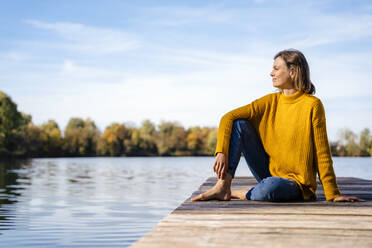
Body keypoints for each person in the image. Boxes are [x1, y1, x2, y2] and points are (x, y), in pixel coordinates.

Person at [192, 49, 364, 203]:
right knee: (240, 124)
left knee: (271, 188)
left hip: (296, 184)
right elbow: (228, 117)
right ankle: (223, 186)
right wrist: (221, 151)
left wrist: (332, 193)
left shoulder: (312, 105)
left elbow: (322, 153)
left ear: (292, 71)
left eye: (276, 68)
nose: (271, 73)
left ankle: (242, 192)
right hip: (269, 172)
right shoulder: (269, 102)